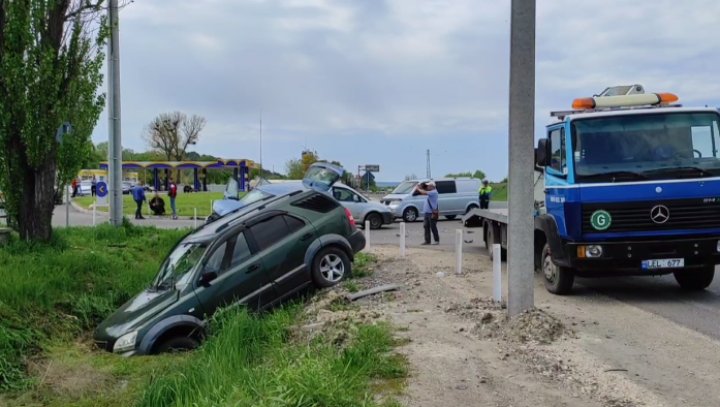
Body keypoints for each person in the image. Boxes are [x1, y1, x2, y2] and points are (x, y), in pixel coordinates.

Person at [414, 181, 439, 245]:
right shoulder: (431, 192)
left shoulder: (434, 192)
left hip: (431, 213)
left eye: (429, 186)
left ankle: (436, 240)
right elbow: (422, 192)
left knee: (433, 227)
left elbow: (424, 192)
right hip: (427, 212)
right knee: (426, 226)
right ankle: (427, 241)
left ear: (432, 186)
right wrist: (420, 188)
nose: (427, 186)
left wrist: (418, 188)